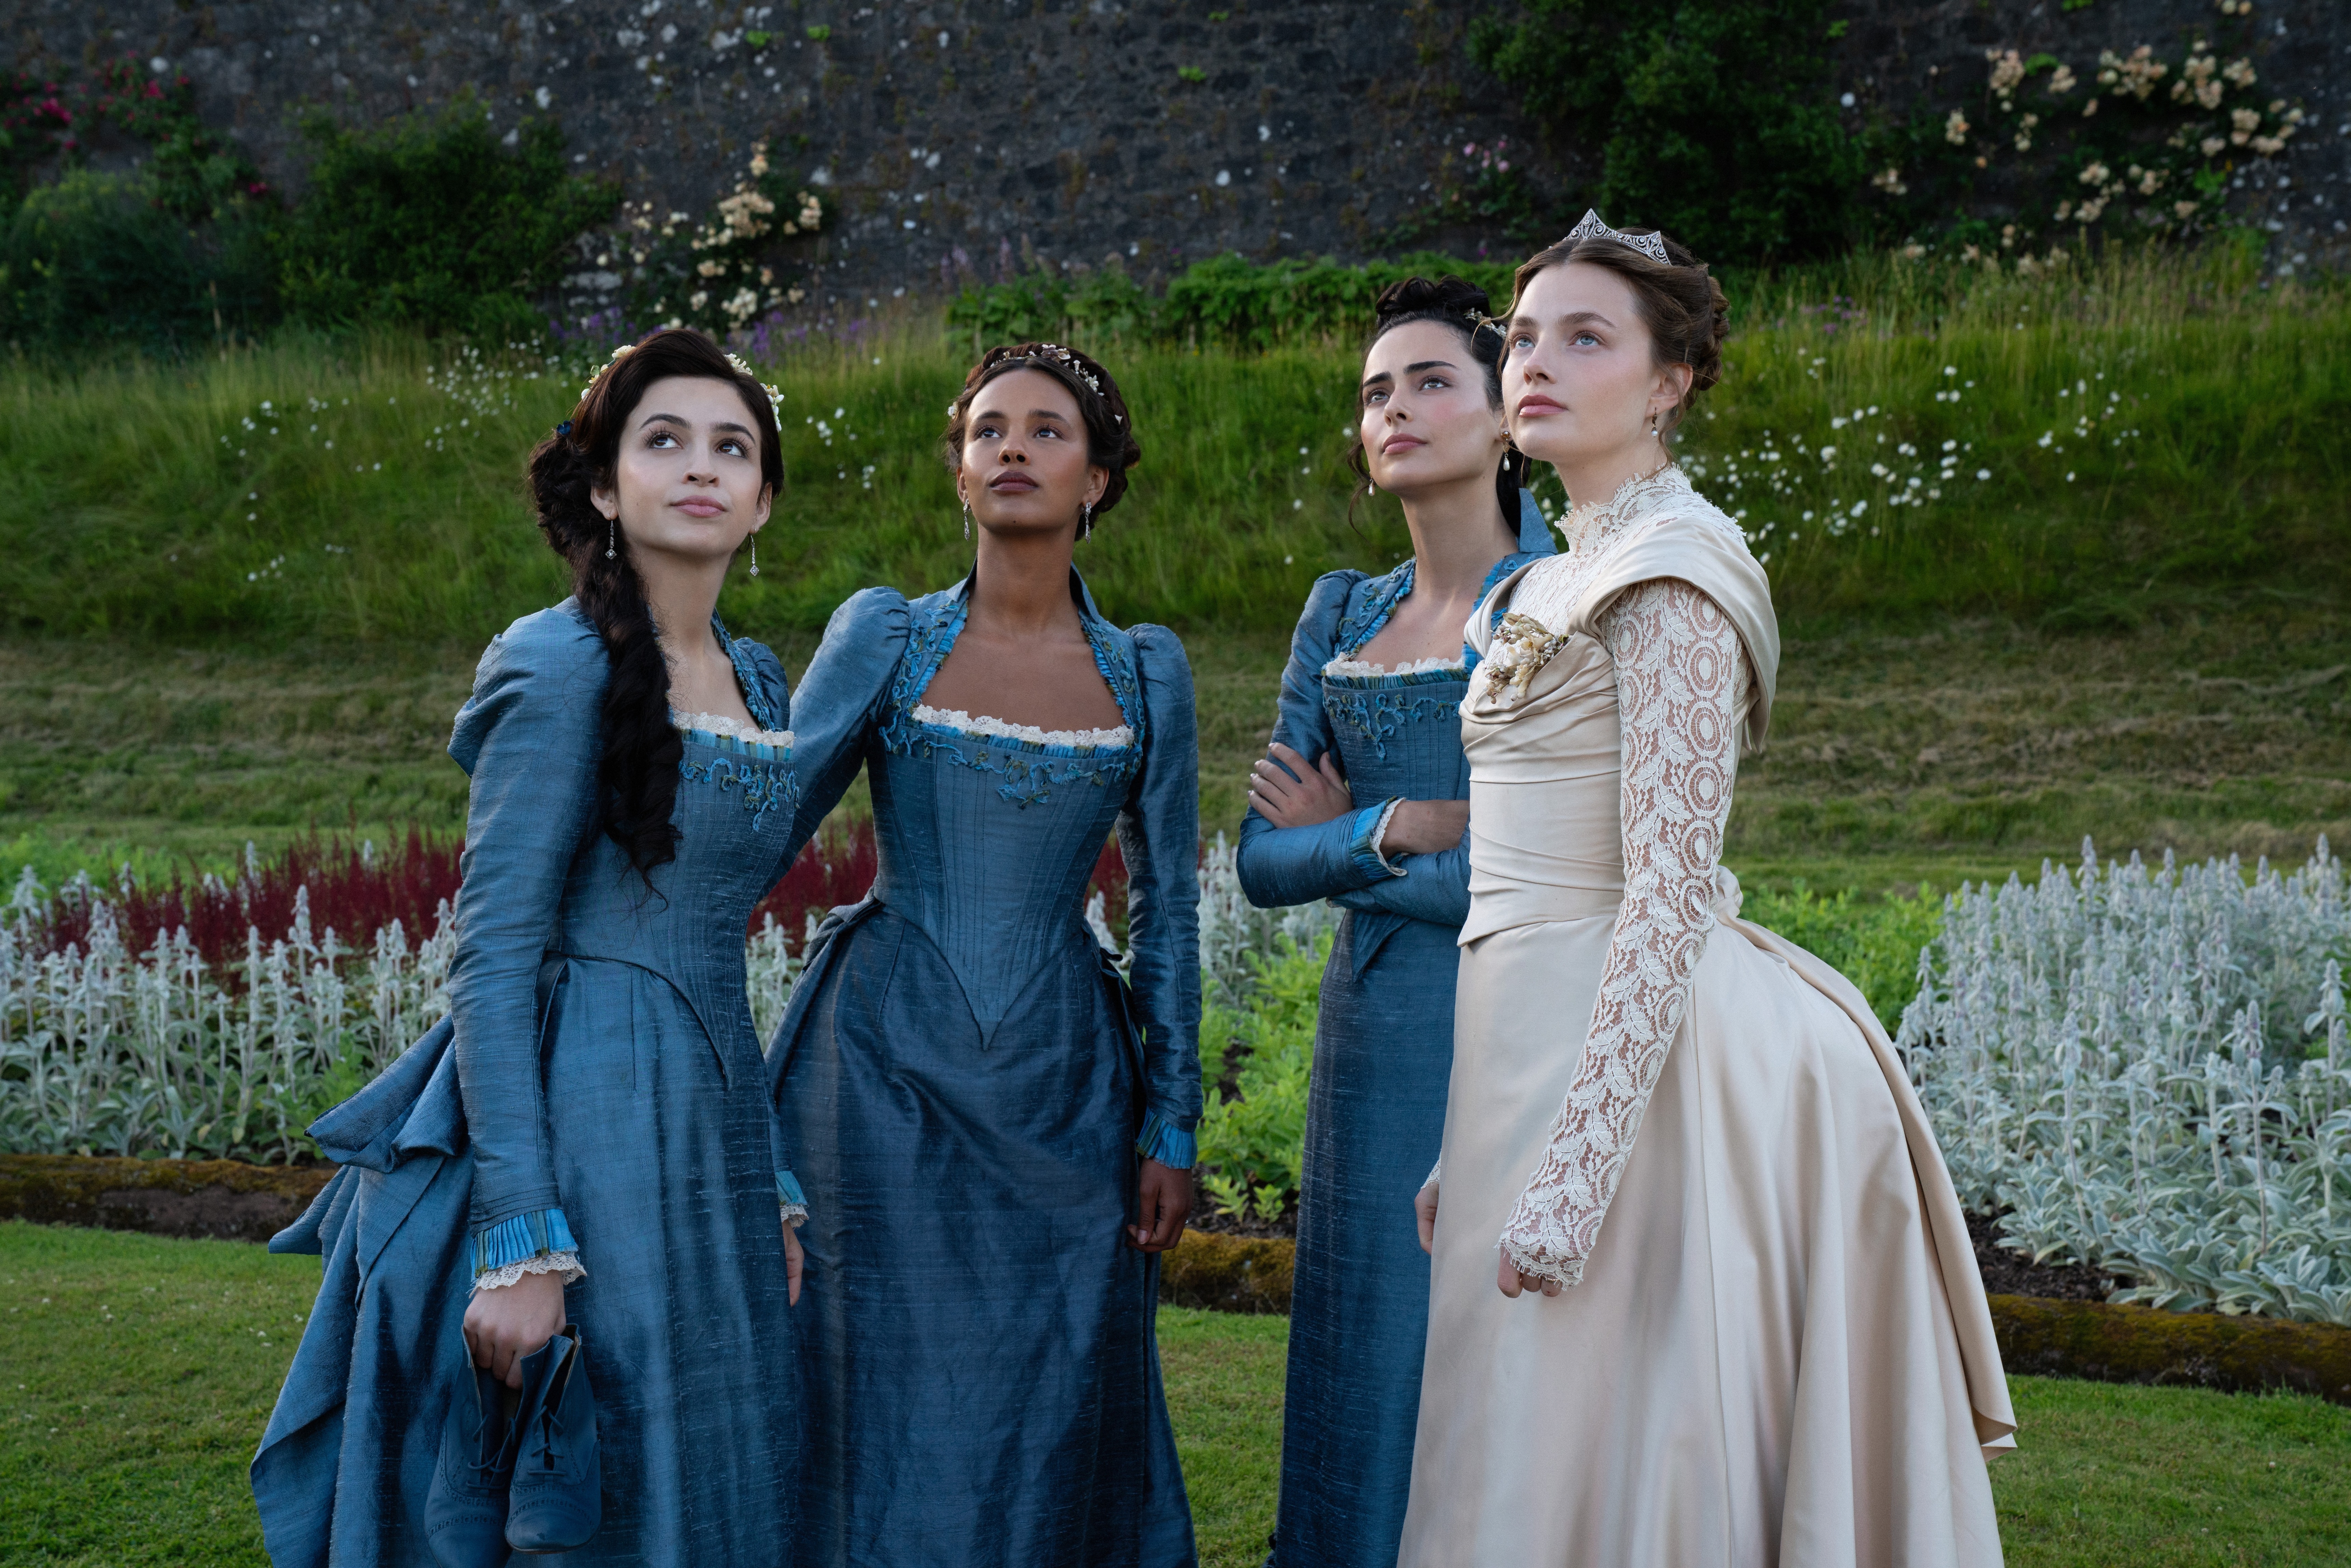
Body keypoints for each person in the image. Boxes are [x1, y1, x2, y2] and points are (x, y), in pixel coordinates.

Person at [1399, 215, 2014, 1567]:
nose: (1534, 363)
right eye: (1522, 337)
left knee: (1625, 1436)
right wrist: (1469, 1137)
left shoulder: (1670, 569)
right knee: (1518, 1443)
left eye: (1585, 338)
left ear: (1667, 382)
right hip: (1520, 1042)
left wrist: (1571, 1177)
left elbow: (1664, 889)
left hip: (1643, 1066)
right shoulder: (1552, 573)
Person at [252, 327, 817, 1567]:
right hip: (582, 1123)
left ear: (764, 500)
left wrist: (767, 1176)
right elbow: (492, 956)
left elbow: (717, 952)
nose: (701, 467)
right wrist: (521, 1239)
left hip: (713, 1128)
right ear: (605, 488)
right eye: (662, 441)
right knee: (596, 1466)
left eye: (732, 448)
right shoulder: (556, 661)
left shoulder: (761, 678)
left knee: (716, 1468)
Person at [769, 341, 1201, 1568]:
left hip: (1066, 1086)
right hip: (876, 1069)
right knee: (868, 1375)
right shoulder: (886, 637)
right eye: (988, 431)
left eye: (1047, 430)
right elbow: (763, 830)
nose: (1013, 447)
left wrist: (1172, 1122)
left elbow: (1168, 904)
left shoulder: (1145, 670)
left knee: (1055, 1376)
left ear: (1097, 481)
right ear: (961, 475)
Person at [1235, 275, 1553, 1568]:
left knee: (1494, 1342)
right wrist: (1402, 825)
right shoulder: (1340, 610)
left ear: (1506, 417)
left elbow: (1538, 880)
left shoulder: (1563, 600)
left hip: (1513, 1025)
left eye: (1430, 383)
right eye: (1376, 393)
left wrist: (1343, 848)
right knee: (1362, 1341)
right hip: (1366, 1037)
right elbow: (1259, 860)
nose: (1396, 410)